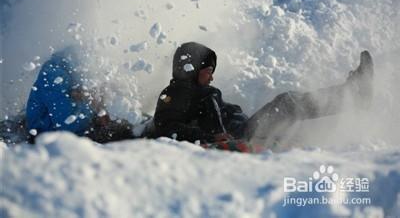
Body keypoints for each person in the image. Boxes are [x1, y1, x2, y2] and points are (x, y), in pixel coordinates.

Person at [149, 42, 374, 145]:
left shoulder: (198, 92)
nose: (212, 76)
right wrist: (211, 138)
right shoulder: (176, 93)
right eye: (208, 71)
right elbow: (167, 127)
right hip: (238, 138)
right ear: (191, 69)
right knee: (286, 104)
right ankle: (353, 95)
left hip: (242, 134)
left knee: (296, 133)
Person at [26, 46, 134, 143]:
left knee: (126, 122)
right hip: (48, 138)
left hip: (69, 130)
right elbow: (68, 126)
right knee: (123, 134)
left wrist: (98, 104)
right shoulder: (53, 77)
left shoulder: (72, 74)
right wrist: (92, 106)